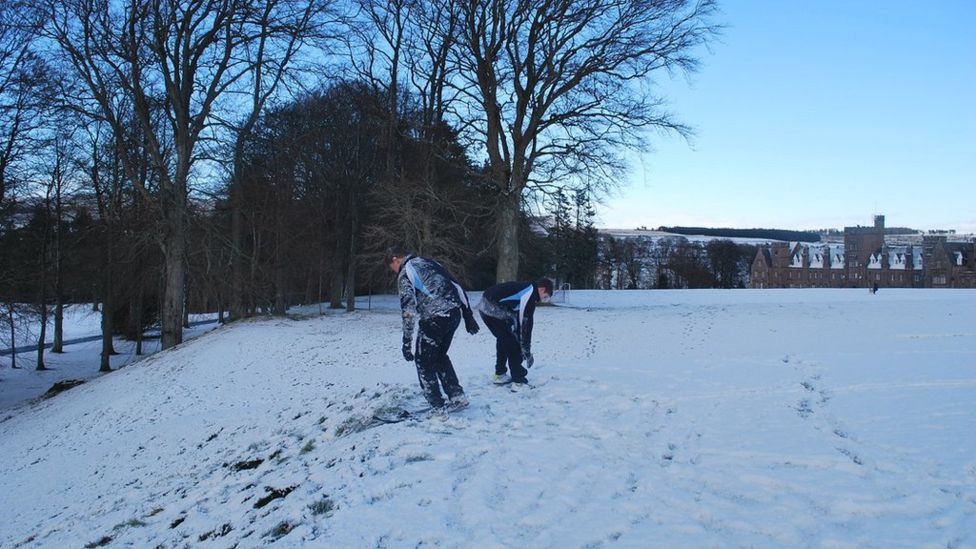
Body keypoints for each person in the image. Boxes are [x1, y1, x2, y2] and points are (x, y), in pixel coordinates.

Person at [386, 246, 480, 412]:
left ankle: (437, 406)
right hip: (453, 315)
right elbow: (456, 286)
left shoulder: (405, 273)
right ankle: (457, 396)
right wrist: (467, 314)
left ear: (395, 259)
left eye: (391, 266)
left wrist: (406, 342)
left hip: (434, 318)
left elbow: (408, 311)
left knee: (424, 362)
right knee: (439, 356)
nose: (393, 270)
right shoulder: (430, 263)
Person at [477, 278, 553, 390]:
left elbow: (518, 319)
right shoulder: (530, 292)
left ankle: (500, 374)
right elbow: (526, 322)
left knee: (504, 339)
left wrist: (523, 343)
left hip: (486, 307)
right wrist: (525, 347)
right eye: (545, 296)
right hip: (492, 308)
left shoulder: (525, 288)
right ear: (542, 289)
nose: (543, 300)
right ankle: (518, 382)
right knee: (512, 343)